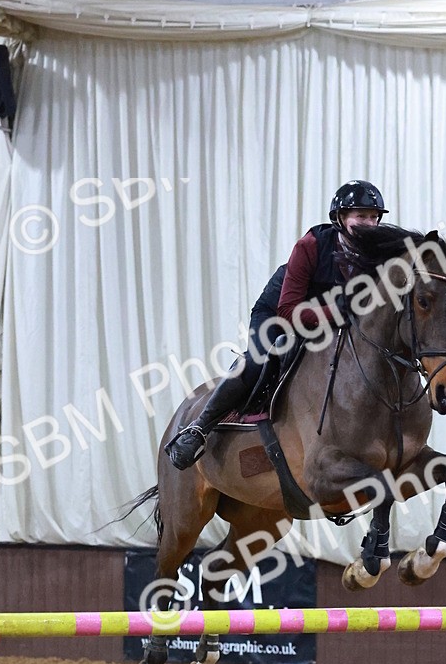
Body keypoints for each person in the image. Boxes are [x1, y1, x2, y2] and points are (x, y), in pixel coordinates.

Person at [165, 180, 388, 470]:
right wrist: (337, 311)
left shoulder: (376, 254)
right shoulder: (310, 245)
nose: (369, 223)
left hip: (328, 322)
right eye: (361, 216)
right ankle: (198, 428)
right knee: (258, 361)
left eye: (374, 217)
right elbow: (288, 311)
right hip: (277, 314)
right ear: (340, 218)